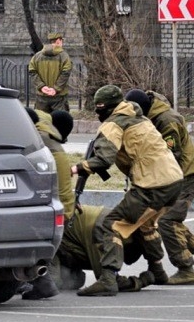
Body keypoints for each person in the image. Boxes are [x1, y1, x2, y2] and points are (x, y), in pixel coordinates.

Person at [71, 84, 183, 296]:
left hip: (152, 184)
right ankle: (158, 270)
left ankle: (107, 279)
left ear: (109, 107)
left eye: (99, 108)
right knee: (147, 225)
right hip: (173, 180)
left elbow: (103, 158)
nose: (97, 113)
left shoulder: (113, 124)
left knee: (109, 225)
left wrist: (78, 167)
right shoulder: (139, 116)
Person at [125, 89, 194, 284]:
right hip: (175, 174)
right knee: (171, 221)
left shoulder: (165, 119)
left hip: (184, 174)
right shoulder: (152, 116)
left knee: (167, 221)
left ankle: (186, 269)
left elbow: (172, 155)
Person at [19, 108, 74, 300]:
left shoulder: (37, 141)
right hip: (63, 204)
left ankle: (44, 283)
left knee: (28, 238)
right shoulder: (49, 135)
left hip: (54, 205)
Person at [28, 31, 73, 113]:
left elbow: (32, 71)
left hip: (41, 96)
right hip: (59, 96)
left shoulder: (37, 56)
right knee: (60, 122)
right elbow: (65, 73)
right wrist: (56, 88)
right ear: (58, 41)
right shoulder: (64, 56)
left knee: (41, 121)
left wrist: (42, 87)